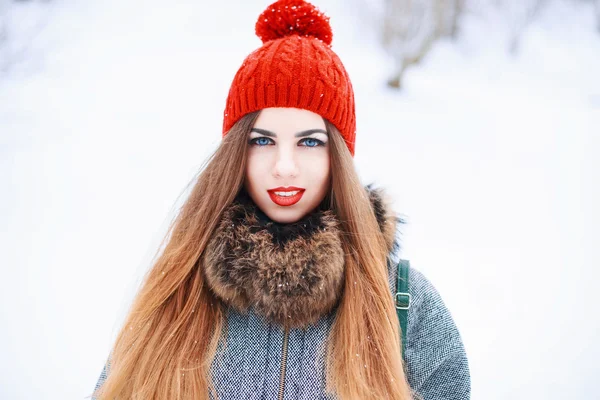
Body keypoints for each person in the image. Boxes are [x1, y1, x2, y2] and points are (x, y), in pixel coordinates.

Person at [91, 0, 470, 399]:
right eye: (262, 141)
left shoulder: (403, 302)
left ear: (337, 157)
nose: (284, 166)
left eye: (309, 141)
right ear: (235, 153)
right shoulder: (176, 288)